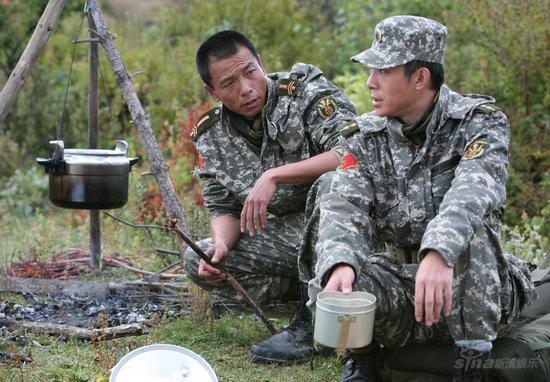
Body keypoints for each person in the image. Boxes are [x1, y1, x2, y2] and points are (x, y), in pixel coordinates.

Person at [301, 16, 537, 381]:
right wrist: (341, 263)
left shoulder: (480, 124)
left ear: (420, 77)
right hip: (404, 293)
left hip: (473, 293)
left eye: (382, 70)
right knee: (337, 241)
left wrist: (438, 251)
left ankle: (472, 364)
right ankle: (364, 358)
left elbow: (472, 191)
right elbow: (345, 207)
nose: (370, 82)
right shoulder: (363, 137)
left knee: (469, 233)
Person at [184, 30, 356, 364]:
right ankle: (305, 298)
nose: (245, 89)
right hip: (294, 236)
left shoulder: (303, 91)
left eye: (250, 71)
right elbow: (222, 205)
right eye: (229, 83)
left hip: (345, 229)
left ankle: (314, 324)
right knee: (197, 258)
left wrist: (274, 176)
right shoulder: (212, 136)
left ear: (260, 62)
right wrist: (221, 244)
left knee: (331, 183)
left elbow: (351, 152)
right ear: (212, 91)